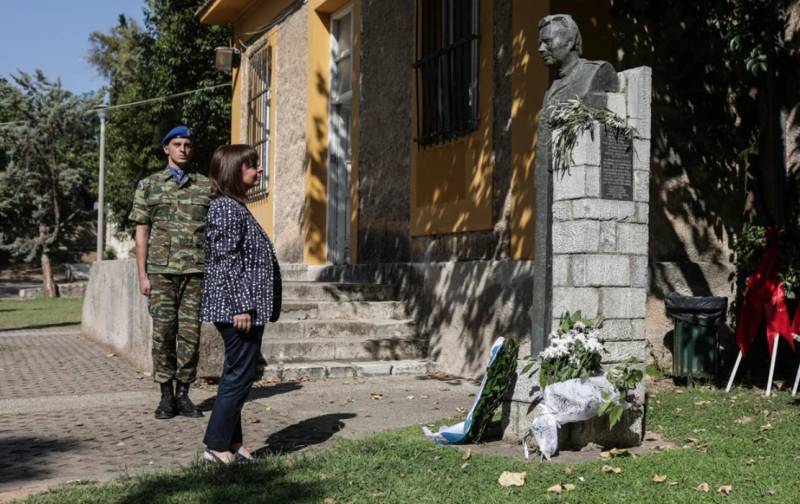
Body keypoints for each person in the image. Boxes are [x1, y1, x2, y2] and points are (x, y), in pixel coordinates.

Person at [200, 144, 281, 464]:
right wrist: (240, 305)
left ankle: (233, 444)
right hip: (238, 308)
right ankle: (216, 446)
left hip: (245, 306)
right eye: (251, 165)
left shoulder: (235, 207)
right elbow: (225, 261)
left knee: (239, 373)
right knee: (240, 376)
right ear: (234, 171)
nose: (258, 170)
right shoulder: (225, 208)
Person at [129, 125, 211, 419]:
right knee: (163, 333)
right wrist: (142, 275)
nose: (183, 149)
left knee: (190, 334)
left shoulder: (205, 186)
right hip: (161, 272)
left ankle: (184, 395)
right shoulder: (148, 185)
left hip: (195, 271)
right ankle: (165, 396)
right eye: (177, 144)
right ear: (166, 148)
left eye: (187, 145)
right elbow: (142, 233)